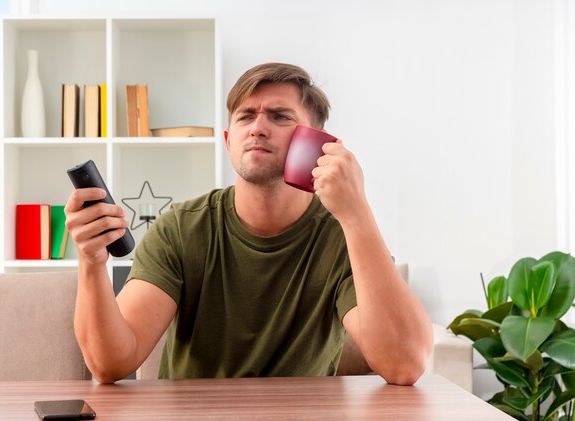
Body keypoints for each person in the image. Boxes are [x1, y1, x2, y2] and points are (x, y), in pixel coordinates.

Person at [65, 63, 433, 385]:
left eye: (280, 116)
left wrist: (357, 213)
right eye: (245, 116)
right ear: (228, 141)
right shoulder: (181, 228)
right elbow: (110, 365)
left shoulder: (344, 234)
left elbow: (404, 365)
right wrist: (92, 262)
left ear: (319, 145)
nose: (257, 127)